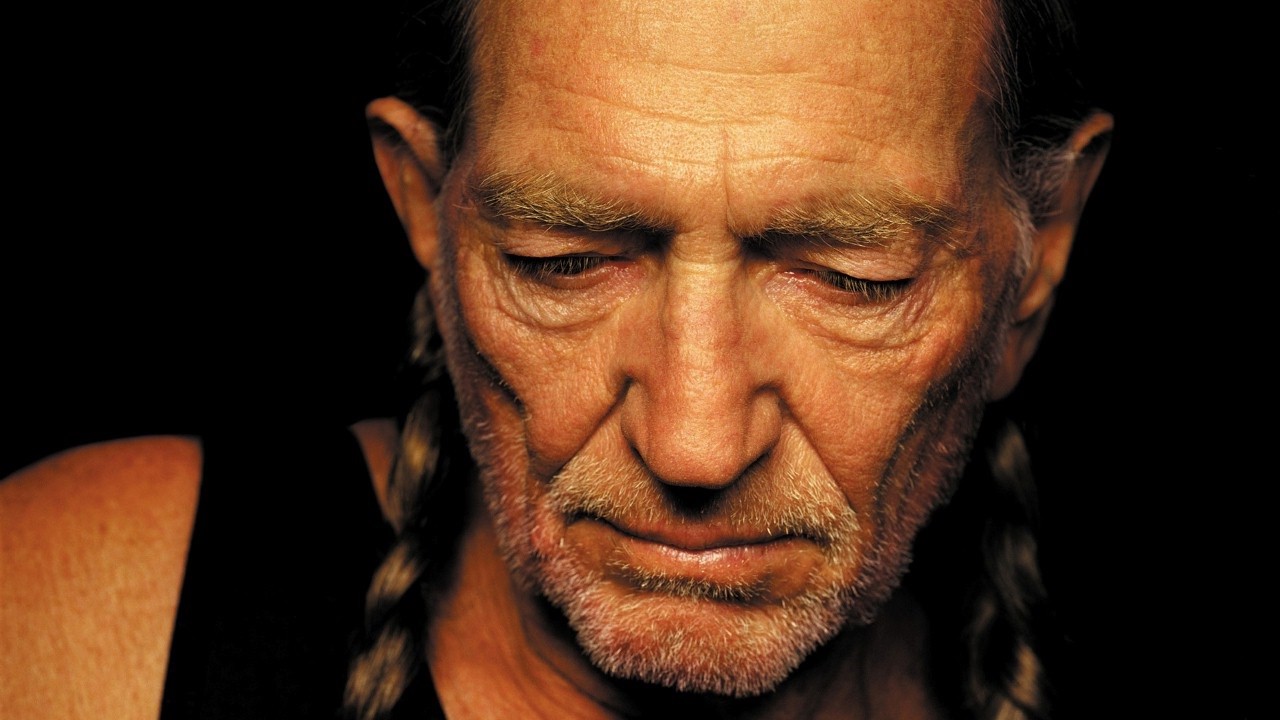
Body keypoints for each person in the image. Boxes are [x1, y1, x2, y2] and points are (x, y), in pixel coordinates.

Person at [2, 0, 1113, 718]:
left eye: (850, 276)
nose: (691, 443)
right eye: (563, 262)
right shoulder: (80, 623)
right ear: (424, 209)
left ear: (1039, 251)